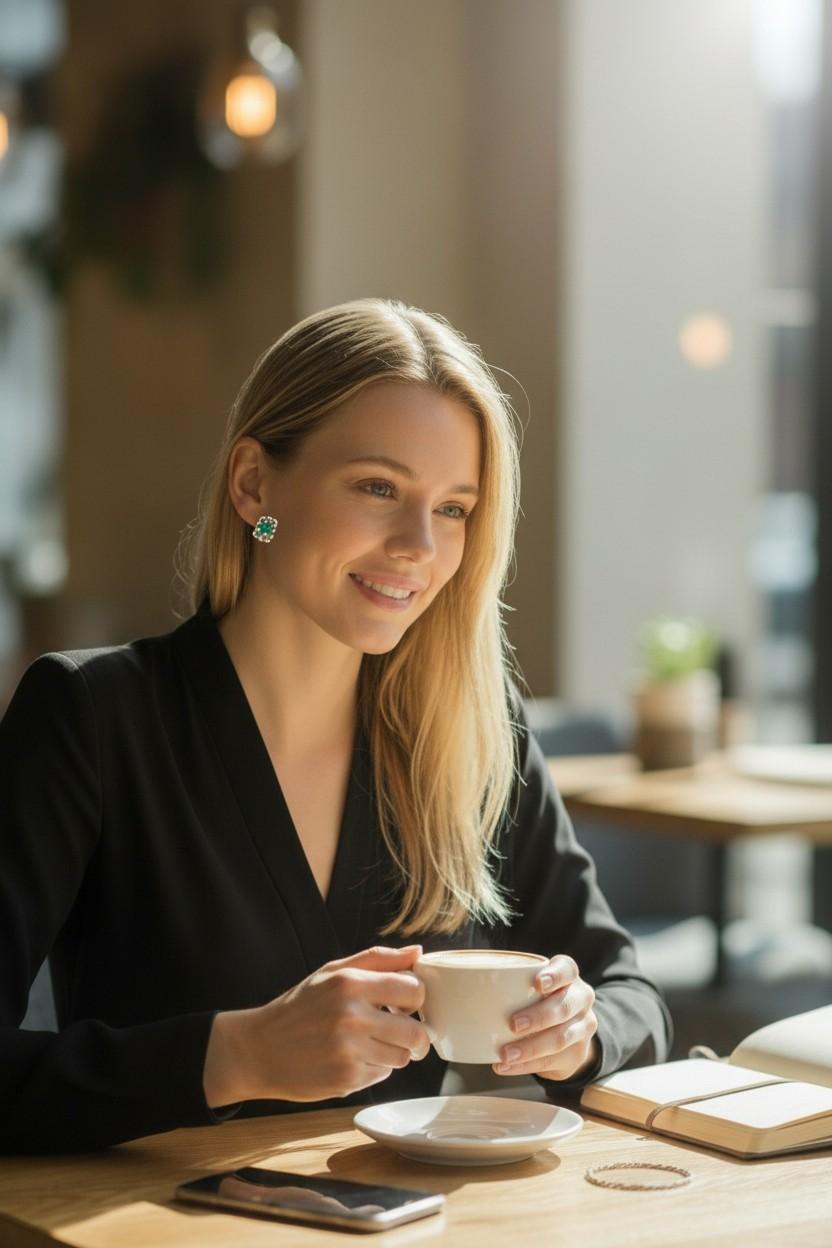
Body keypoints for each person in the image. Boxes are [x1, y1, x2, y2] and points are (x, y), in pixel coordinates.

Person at [0, 299, 671, 1154]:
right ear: (254, 485)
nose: (418, 545)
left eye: (454, 508)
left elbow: (631, 995)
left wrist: (579, 1031)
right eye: (378, 488)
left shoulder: (475, 730)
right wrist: (234, 1056)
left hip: (433, 1216)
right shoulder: (92, 716)